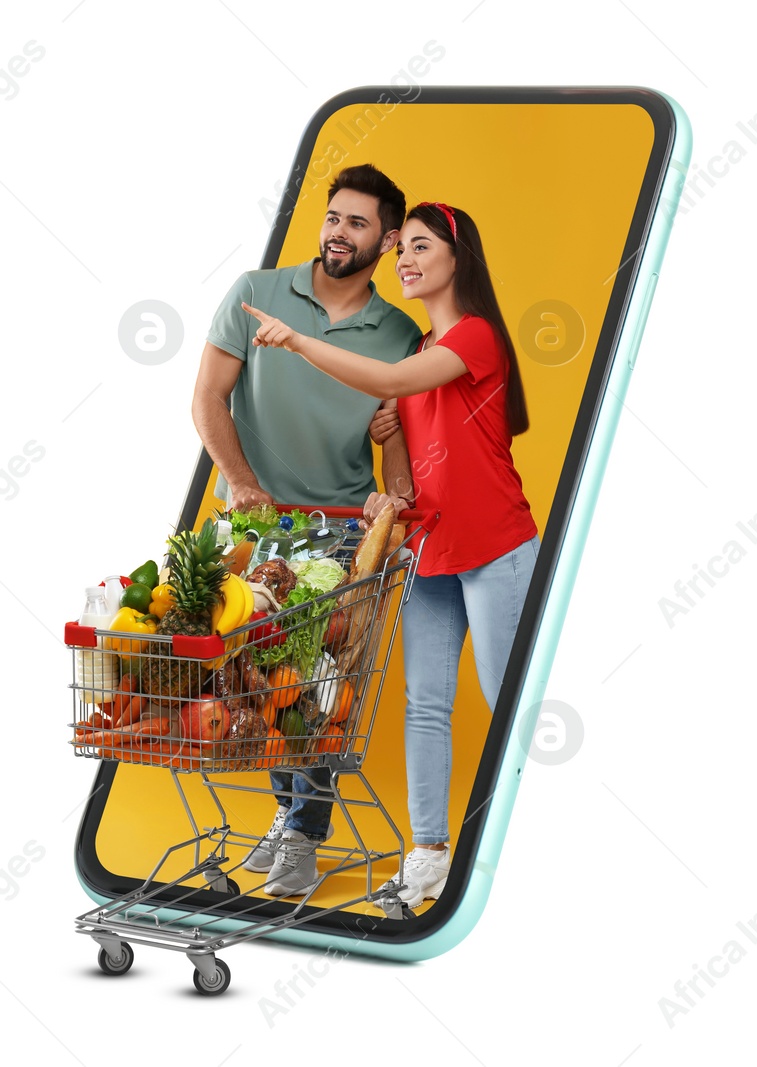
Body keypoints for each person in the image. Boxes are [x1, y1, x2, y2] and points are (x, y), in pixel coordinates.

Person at [242, 200, 538, 908]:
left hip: (496, 546)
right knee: (425, 705)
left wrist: (299, 342)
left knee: (506, 702)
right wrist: (388, 488)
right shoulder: (413, 352)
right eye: (399, 247)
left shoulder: (474, 338)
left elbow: (393, 385)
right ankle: (430, 853)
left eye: (419, 246)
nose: (404, 258)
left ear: (455, 258)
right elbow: (404, 474)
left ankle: (525, 841)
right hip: (430, 549)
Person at [194, 163, 422, 897]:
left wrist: (392, 466)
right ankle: (289, 812)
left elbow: (397, 444)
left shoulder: (399, 333)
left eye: (358, 224)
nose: (338, 234)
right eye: (333, 218)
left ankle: (303, 832)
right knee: (262, 681)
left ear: (386, 241)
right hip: (260, 527)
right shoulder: (256, 294)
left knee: (321, 687)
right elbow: (207, 398)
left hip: (342, 530)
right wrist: (241, 480)